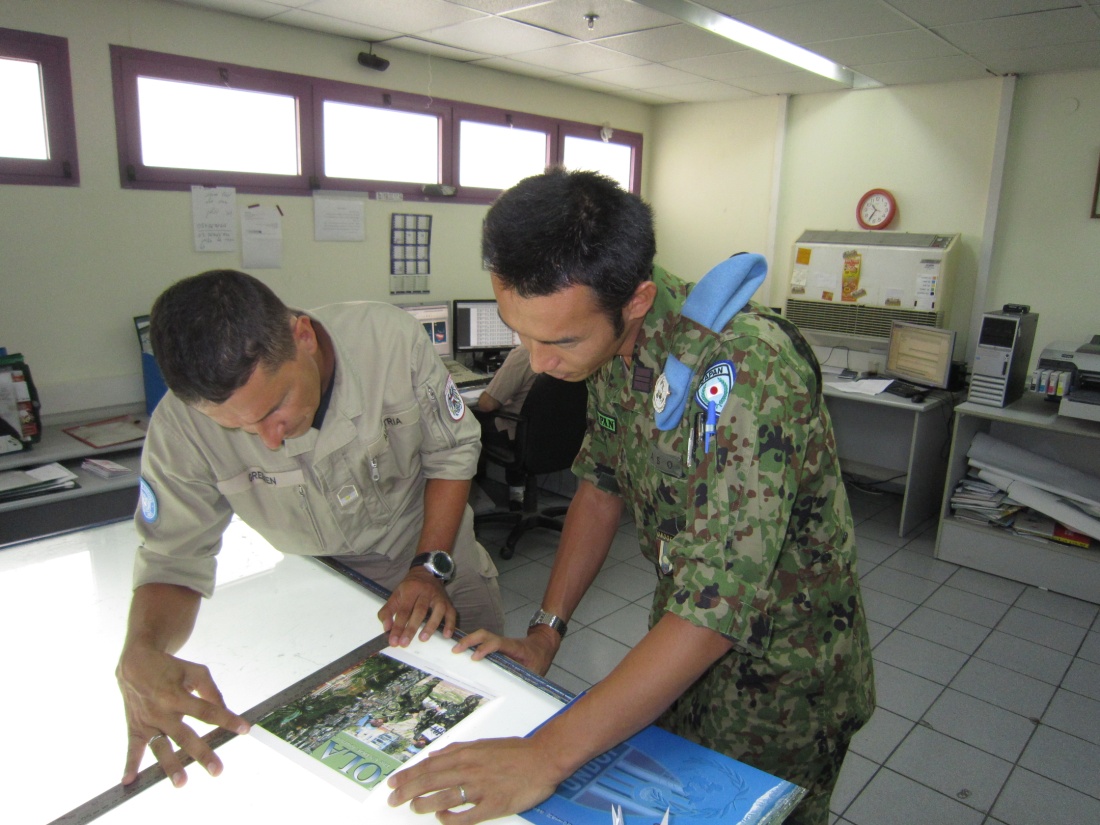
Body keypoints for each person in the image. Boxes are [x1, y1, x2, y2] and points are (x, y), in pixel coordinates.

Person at [386, 169, 875, 825]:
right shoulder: (610, 347)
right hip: (678, 645)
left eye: (560, 340)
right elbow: (601, 482)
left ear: (637, 301)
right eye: (520, 332)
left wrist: (544, 755)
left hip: (783, 673)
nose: (539, 360)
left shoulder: (747, 368)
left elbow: (714, 608)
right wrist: (544, 635)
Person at [116, 270, 504, 789]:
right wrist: (143, 650)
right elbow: (172, 559)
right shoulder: (179, 428)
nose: (268, 440)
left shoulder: (387, 341)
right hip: (325, 588)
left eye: (275, 408)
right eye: (239, 428)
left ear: (302, 336)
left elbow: (452, 452)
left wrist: (428, 566)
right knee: (377, 759)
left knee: (493, 723)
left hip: (436, 557)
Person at [474, 344, 536, 509]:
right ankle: (517, 492)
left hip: (518, 435)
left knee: (466, 422)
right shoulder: (571, 351)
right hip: (559, 437)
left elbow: (486, 404)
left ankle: (470, 500)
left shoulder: (525, 353)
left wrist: (496, 384)